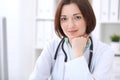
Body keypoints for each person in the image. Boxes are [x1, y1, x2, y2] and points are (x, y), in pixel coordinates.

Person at [29, 0, 114, 80]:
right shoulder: (52, 46)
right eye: (64, 19)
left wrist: (78, 53)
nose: (70, 25)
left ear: (87, 18)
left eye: (77, 17)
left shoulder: (105, 52)